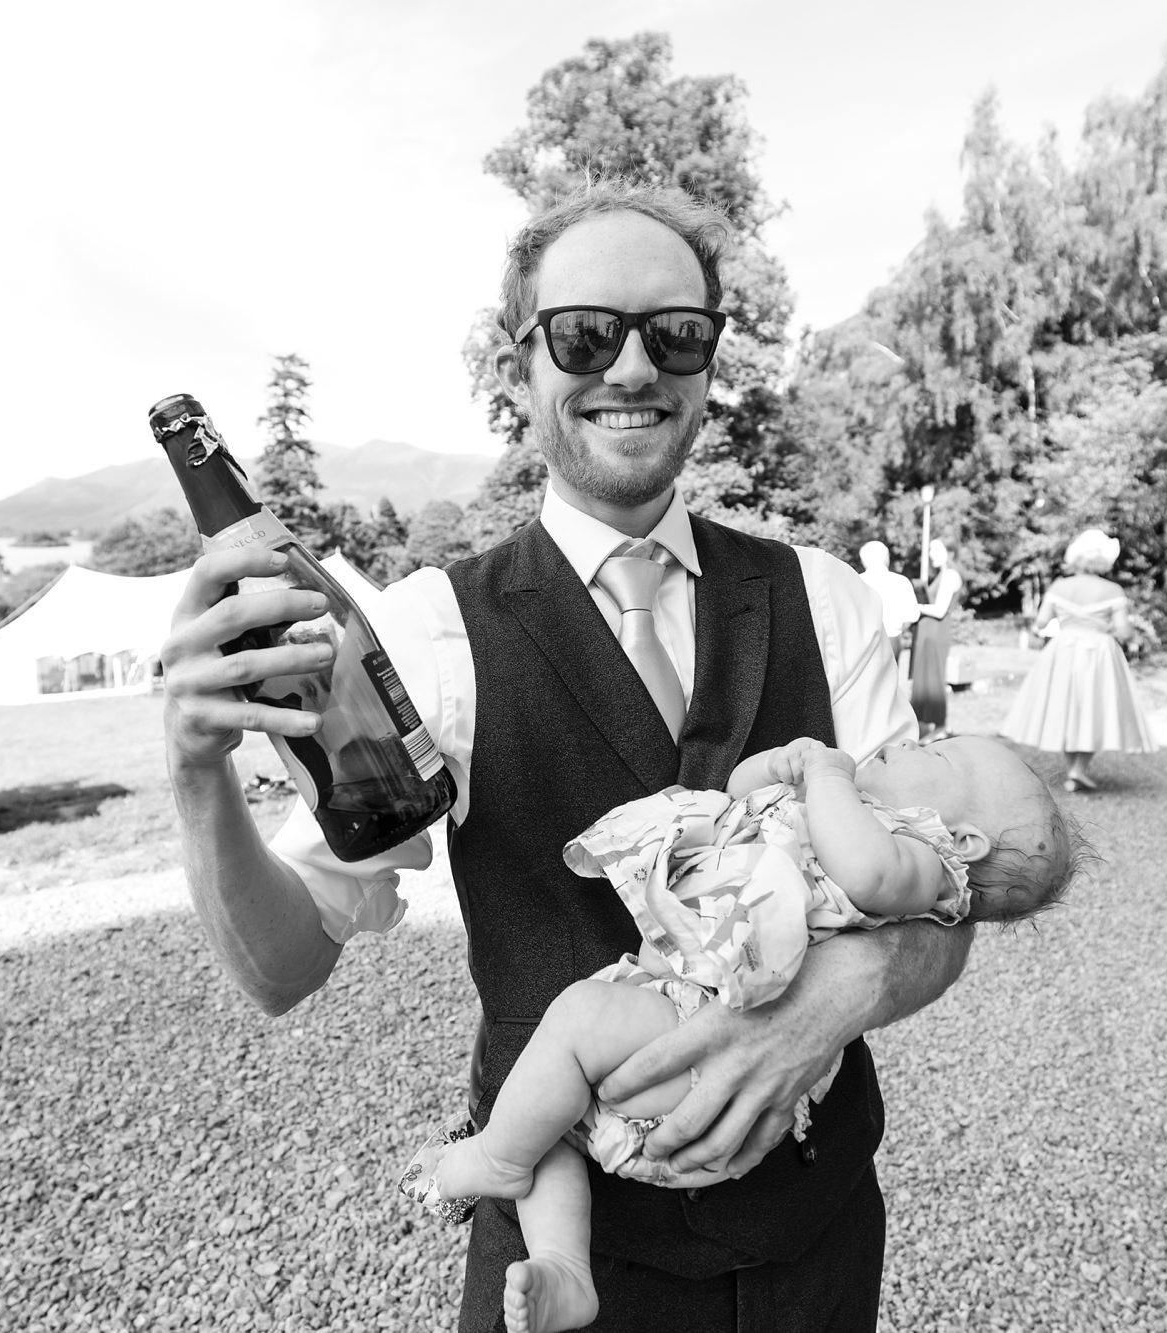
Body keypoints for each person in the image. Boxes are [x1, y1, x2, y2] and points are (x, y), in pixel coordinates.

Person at [160, 180, 976, 1331]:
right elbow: (280, 966)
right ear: (517, 370)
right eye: (585, 333)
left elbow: (945, 905)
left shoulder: (824, 598)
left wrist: (822, 1007)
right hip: (559, 1271)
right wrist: (195, 773)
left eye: (674, 333)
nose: (632, 368)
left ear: (708, 364)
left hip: (817, 1238)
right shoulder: (429, 631)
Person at [405, 734, 1076, 1332]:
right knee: (554, 1121)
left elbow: (869, 875)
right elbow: (734, 801)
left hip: (705, 1038)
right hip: (665, 1014)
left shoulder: (926, 865)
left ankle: (494, 1156)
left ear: (963, 841)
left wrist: (828, 774)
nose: (917, 739)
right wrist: (778, 767)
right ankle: (563, 1263)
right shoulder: (851, 811)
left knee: (577, 1023)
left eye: (938, 752)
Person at [998, 528, 1156, 792]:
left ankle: (1075, 770)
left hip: (1064, 650)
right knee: (1094, 708)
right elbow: (1124, 631)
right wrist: (1118, 631)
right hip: (1099, 653)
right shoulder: (1113, 589)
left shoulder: (1060, 586)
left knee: (1066, 707)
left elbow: (1041, 622)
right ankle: (1078, 771)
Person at [907, 539, 965, 739]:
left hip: (936, 632)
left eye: (935, 549)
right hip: (928, 633)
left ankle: (939, 727)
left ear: (949, 552)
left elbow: (939, 610)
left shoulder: (950, 575)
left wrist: (914, 607)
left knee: (934, 679)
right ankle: (925, 726)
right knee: (924, 680)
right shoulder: (942, 574)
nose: (930, 554)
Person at [854, 540, 919, 668]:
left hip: (863, 641)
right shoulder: (901, 582)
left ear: (863, 560)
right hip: (892, 639)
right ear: (887, 558)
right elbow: (912, 616)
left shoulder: (856, 581)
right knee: (889, 683)